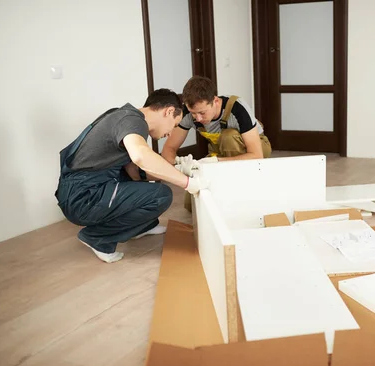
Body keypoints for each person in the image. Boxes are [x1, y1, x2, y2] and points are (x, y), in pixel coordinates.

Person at [54, 89, 208, 263]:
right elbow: (141, 157)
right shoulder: (132, 121)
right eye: (174, 125)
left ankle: (140, 227)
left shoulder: (124, 117)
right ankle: (97, 237)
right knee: (161, 195)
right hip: (82, 196)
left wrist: (177, 169)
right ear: (169, 111)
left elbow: (135, 173)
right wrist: (187, 183)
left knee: (147, 187)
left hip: (82, 189)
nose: (171, 133)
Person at [161, 76, 272, 210]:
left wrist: (216, 162)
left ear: (215, 101)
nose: (198, 118)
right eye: (193, 113)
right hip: (220, 151)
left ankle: (243, 194)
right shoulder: (187, 113)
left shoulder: (237, 108)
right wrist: (179, 167)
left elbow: (256, 155)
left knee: (228, 137)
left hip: (256, 147)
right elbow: (169, 148)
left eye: (202, 112)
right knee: (193, 205)